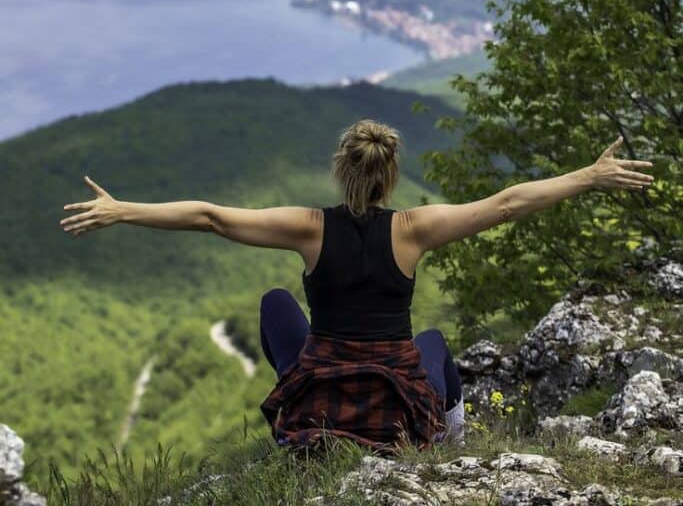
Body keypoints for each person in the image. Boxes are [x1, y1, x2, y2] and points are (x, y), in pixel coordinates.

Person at [59, 123, 654, 454]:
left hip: (322, 394)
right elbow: (505, 204)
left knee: (274, 304)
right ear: (390, 176)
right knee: (435, 342)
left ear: (341, 171)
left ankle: (302, 412)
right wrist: (589, 176)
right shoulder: (415, 229)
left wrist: (122, 210)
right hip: (395, 404)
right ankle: (448, 438)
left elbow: (211, 217)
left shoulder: (309, 228)